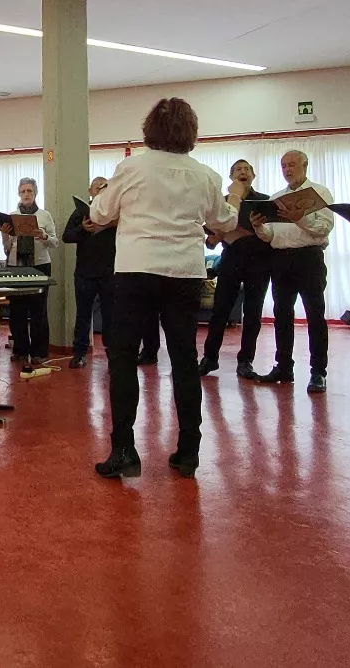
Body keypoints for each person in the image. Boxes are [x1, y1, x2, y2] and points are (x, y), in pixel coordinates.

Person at [91, 98, 237, 480]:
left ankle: (124, 450)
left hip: (136, 269)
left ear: (149, 129)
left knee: (123, 360)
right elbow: (222, 221)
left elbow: (100, 214)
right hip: (184, 272)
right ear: (191, 132)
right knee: (184, 360)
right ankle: (188, 451)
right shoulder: (204, 174)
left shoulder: (132, 166)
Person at [250, 150, 335, 393]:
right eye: (284, 165)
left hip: (309, 258)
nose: (288, 169)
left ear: (305, 165)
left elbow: (324, 228)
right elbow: (272, 235)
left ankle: (318, 371)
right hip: (280, 259)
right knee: (282, 315)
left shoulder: (319, 193)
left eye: (292, 164)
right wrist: (259, 227)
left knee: (315, 315)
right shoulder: (277, 198)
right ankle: (284, 366)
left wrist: (300, 218)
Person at [200, 159, 272, 379]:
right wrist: (214, 238)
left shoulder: (265, 201)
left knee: (253, 313)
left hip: (260, 260)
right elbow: (212, 238)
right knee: (220, 310)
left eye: (247, 169)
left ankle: (246, 361)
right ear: (231, 177)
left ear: (253, 175)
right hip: (231, 259)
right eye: (238, 170)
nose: (243, 172)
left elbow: (272, 231)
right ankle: (209, 358)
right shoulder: (224, 202)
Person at [2, 177, 57, 378]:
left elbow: (55, 242)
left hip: (40, 264)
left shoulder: (44, 215)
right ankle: (20, 350)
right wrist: (5, 236)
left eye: (30, 191)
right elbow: (7, 249)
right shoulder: (11, 215)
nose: (26, 194)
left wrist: (43, 236)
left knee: (38, 310)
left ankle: (39, 352)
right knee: (17, 309)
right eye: (23, 191)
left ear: (35, 194)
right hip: (16, 265)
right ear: (19, 193)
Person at [62, 176, 115, 370]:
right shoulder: (80, 212)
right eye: (96, 187)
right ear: (90, 192)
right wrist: (82, 229)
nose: (100, 190)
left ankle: (113, 354)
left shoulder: (115, 213)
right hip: (84, 273)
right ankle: (79, 354)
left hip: (110, 273)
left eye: (104, 187)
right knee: (83, 315)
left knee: (111, 315)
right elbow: (66, 237)